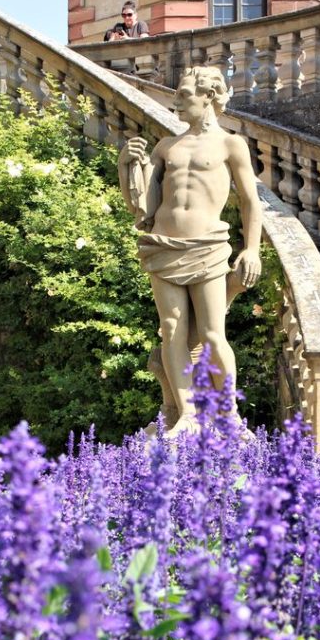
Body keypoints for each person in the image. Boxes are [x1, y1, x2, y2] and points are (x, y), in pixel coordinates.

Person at [118, 65, 262, 437]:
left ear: (209, 97)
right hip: (163, 244)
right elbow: (143, 209)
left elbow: (251, 202)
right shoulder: (167, 146)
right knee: (171, 331)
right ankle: (186, 414)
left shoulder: (231, 144)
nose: (176, 102)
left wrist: (252, 249)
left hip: (209, 246)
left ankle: (228, 414)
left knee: (214, 334)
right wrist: (126, 165)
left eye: (184, 95)